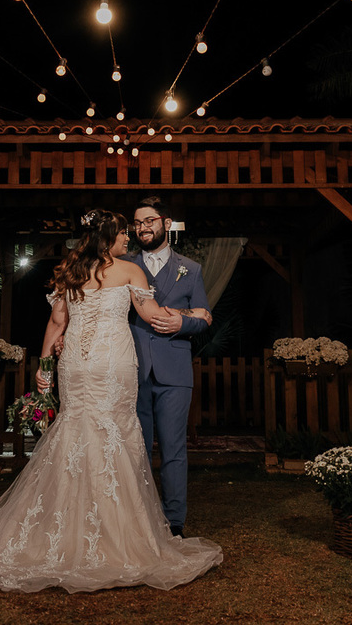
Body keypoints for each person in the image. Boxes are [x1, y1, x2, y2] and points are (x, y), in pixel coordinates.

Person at [0, 210, 222, 593]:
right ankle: (114, 533)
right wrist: (193, 313)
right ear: (108, 237)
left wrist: (44, 365)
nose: (127, 239)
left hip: (76, 364)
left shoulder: (70, 271)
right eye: (122, 234)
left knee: (74, 430)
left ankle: (63, 528)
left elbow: (56, 323)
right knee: (114, 434)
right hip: (112, 364)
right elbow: (151, 315)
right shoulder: (130, 271)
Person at [128, 196, 211, 538]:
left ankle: (174, 522)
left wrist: (182, 323)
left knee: (173, 449)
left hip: (175, 371)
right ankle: (139, 520)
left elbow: (204, 317)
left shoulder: (190, 269)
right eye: (137, 223)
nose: (142, 228)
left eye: (149, 221)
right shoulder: (125, 265)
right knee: (135, 449)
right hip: (132, 367)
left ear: (165, 222)